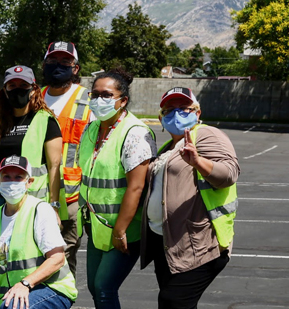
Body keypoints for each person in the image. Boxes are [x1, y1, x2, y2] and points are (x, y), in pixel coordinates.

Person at [141, 87, 238, 308]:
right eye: (169, 109)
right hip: (166, 241)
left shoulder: (206, 134)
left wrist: (198, 162)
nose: (176, 114)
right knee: (176, 301)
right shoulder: (168, 147)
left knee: (173, 301)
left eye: (184, 108)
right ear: (161, 117)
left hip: (197, 242)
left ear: (197, 112)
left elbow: (229, 173)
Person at [77, 69, 155, 309]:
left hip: (123, 230)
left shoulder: (135, 133)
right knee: (94, 286)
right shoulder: (91, 129)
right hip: (97, 226)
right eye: (95, 94)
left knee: (104, 288)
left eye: (107, 95)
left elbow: (136, 187)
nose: (99, 100)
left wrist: (120, 230)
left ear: (123, 101)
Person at [0, 156, 76, 309]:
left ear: (29, 182)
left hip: (51, 288)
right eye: (7, 177)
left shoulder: (39, 210)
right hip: (11, 297)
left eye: (18, 177)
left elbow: (57, 258)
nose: (11, 182)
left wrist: (25, 284)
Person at [41, 41, 95, 275]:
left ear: (76, 68)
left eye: (65, 61)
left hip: (71, 198)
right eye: (52, 60)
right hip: (35, 193)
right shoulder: (36, 97)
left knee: (63, 261)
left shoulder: (89, 100)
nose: (58, 65)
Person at [0, 65, 63, 214]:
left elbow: (54, 167)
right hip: (1, 199)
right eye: (12, 85)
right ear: (5, 91)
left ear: (33, 89)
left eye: (23, 85)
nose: (17, 89)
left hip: (33, 200)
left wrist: (54, 207)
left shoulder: (46, 120)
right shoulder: (0, 122)